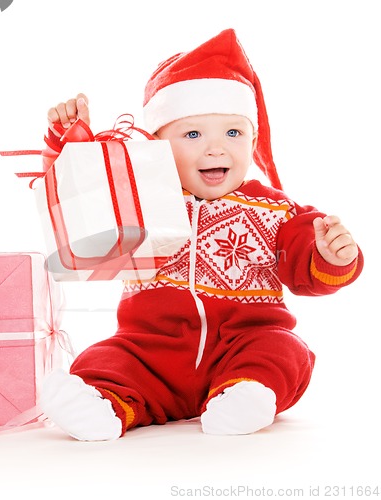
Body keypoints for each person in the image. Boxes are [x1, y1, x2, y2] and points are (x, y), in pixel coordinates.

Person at [39, 29, 363, 441]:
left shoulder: (277, 210)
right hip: (151, 349)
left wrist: (331, 255)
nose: (216, 149)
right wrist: (72, 139)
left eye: (233, 133)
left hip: (245, 344)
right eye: (193, 135)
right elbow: (81, 189)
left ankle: (245, 396)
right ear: (155, 144)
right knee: (107, 357)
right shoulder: (140, 193)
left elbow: (305, 266)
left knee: (286, 351)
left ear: (253, 140)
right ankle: (96, 403)